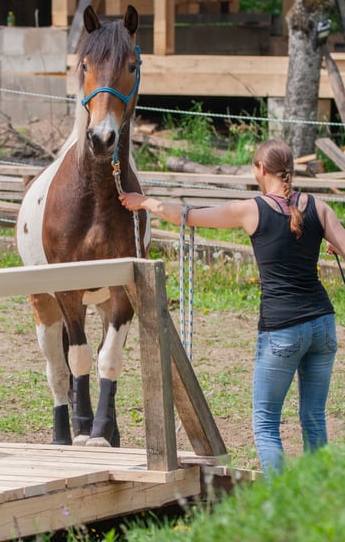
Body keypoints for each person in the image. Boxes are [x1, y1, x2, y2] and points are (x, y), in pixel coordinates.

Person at [120, 138, 345, 476]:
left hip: (282, 329)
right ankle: (318, 497)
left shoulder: (251, 209)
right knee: (313, 418)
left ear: (261, 169)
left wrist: (145, 202)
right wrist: (332, 244)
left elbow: (187, 216)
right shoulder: (320, 207)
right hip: (323, 324)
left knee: (266, 422)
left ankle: (280, 499)